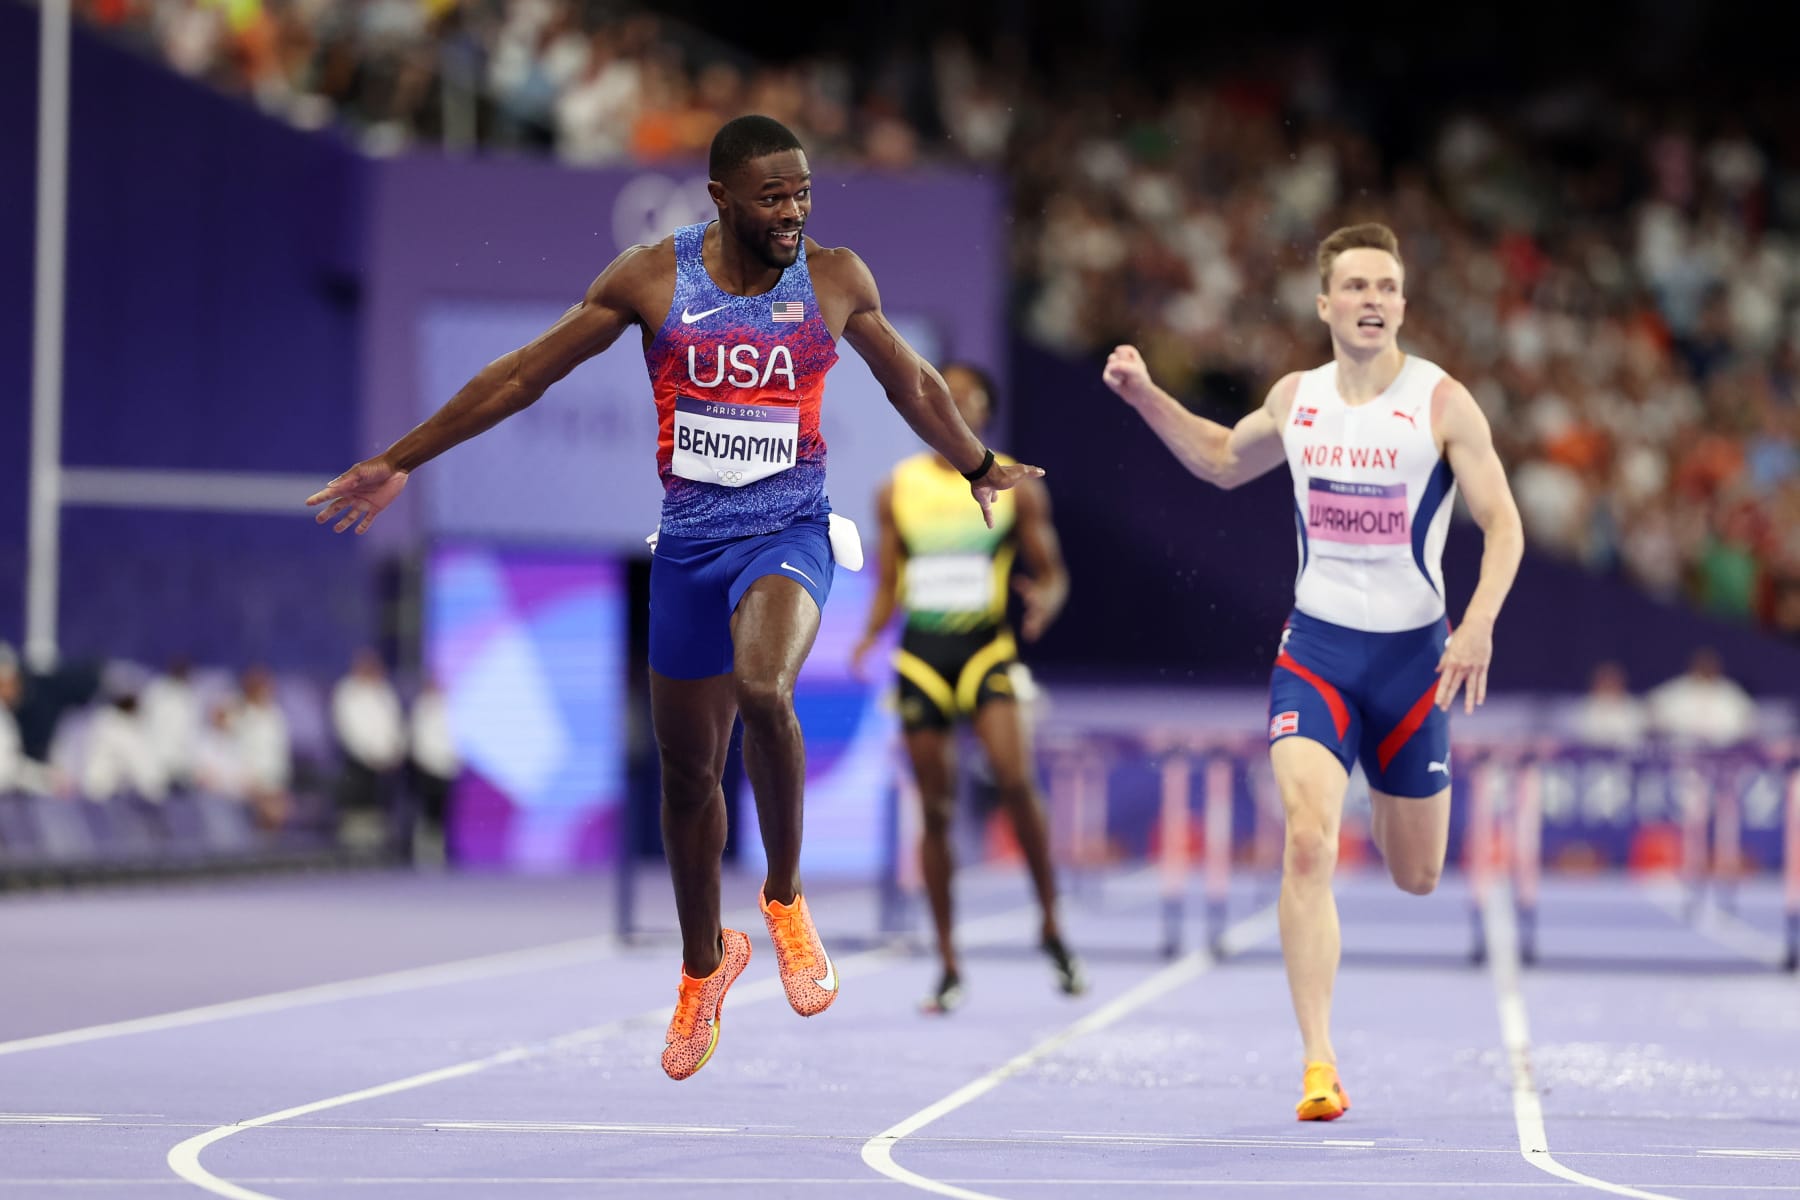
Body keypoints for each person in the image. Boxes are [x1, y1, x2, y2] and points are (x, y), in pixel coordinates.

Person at [307, 115, 1040, 1081]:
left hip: (790, 531)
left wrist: (977, 462)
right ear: (721, 197)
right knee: (688, 776)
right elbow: (525, 374)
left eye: (803, 192)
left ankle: (783, 898)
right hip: (690, 546)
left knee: (767, 687)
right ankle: (704, 966)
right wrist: (398, 460)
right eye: (774, 196)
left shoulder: (833, 277)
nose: (794, 211)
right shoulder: (653, 279)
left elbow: (908, 379)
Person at [1102, 222, 1524, 1121]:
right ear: (1325, 302)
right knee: (1307, 841)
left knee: (1418, 876)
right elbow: (1221, 461)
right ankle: (1319, 1063)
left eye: (1388, 287)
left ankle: (1385, 783)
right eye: (1357, 285)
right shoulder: (1296, 398)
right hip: (1318, 655)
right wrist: (1145, 397)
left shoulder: (1444, 403)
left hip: (1416, 665)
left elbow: (1505, 524)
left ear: (1403, 304)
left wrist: (1478, 624)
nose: (1374, 300)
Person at [850, 361, 1083, 1013]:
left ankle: (1050, 923)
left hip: (986, 650)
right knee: (938, 809)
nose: (954, 407)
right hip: (922, 655)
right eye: (941, 397)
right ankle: (949, 962)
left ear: (985, 410)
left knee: (1014, 779)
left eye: (968, 399)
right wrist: (869, 636)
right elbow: (890, 581)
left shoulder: (1014, 484)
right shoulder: (896, 488)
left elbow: (1053, 572)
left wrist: (1047, 601)